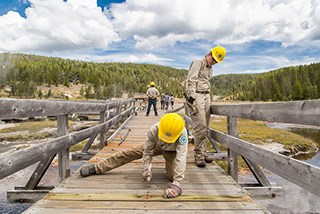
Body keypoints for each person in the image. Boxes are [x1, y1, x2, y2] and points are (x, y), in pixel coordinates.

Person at [79, 113, 188, 199]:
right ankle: (97, 168)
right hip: (157, 146)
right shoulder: (154, 130)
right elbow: (148, 150)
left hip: (172, 151)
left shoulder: (183, 134)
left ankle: (174, 177)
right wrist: (146, 166)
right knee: (128, 153)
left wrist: (177, 183)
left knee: (171, 176)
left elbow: (181, 157)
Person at [185, 46, 226, 167]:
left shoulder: (210, 68)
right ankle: (198, 155)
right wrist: (191, 98)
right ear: (209, 54)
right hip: (197, 95)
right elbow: (191, 80)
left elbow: (206, 82)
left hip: (206, 95)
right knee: (201, 126)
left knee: (206, 127)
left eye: (216, 61)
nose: (213, 62)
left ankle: (202, 152)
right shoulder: (198, 62)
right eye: (212, 58)